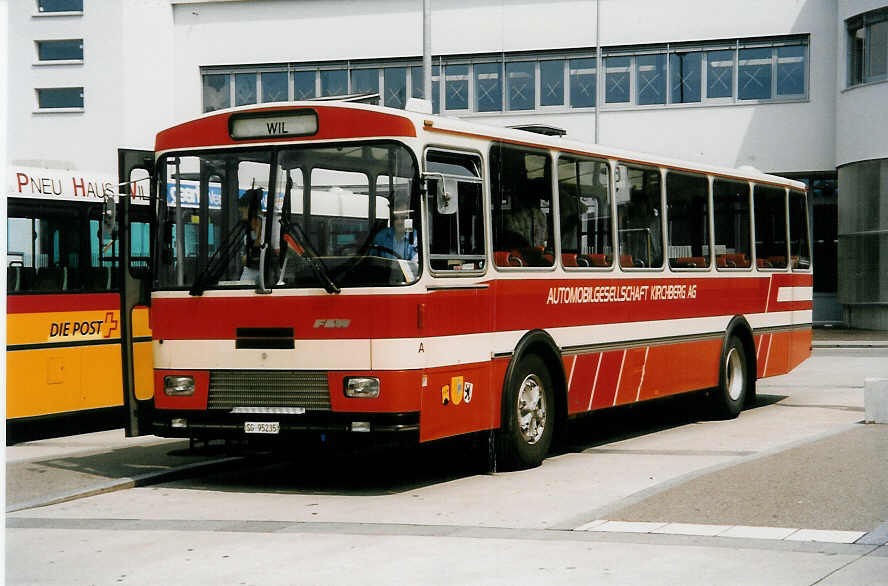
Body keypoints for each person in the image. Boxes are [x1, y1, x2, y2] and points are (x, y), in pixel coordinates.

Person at [238, 188, 263, 281]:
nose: (242, 214)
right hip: (250, 268)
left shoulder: (267, 226)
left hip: (263, 270)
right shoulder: (248, 228)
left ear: (249, 208)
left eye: (243, 211)